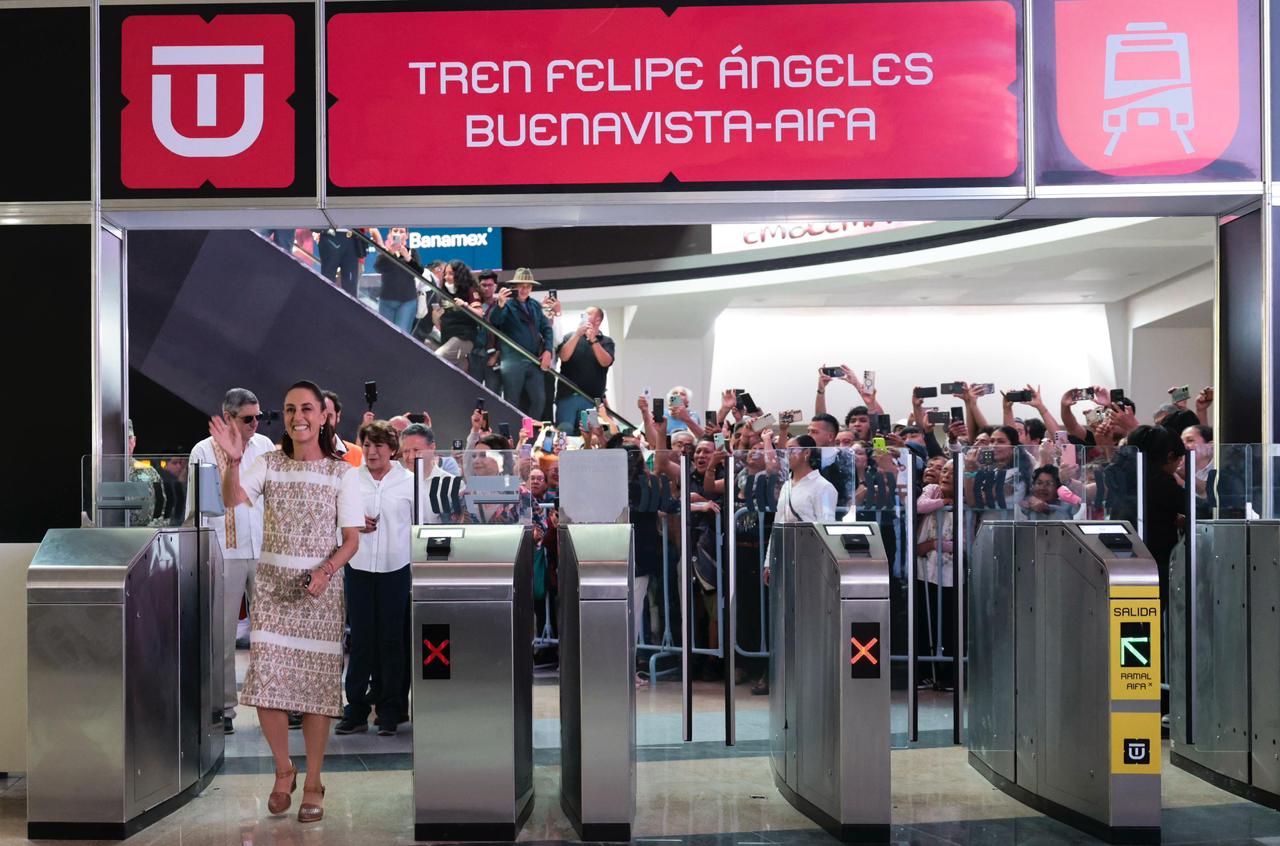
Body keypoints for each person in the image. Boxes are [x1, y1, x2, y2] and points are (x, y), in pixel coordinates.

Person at [209, 379, 362, 823]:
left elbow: (351, 540)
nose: (299, 417)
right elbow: (232, 500)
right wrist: (234, 462)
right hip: (274, 591)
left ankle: (313, 781)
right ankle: (283, 770)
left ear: (324, 416)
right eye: (291, 409)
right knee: (266, 684)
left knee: (315, 692)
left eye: (308, 409)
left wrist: (325, 570)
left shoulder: (342, 472)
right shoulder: (269, 464)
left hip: (320, 594)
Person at [189, 388, 276, 735]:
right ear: (227, 417)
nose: (255, 424)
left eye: (258, 417)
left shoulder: (266, 447)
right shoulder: (203, 450)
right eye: (247, 418)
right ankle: (223, 707)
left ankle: (278, 703)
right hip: (223, 553)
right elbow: (201, 508)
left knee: (271, 634)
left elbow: (276, 498)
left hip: (265, 550)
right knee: (221, 637)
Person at [337, 421, 414, 737]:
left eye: (378, 446)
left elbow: (419, 524)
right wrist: (355, 525)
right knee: (361, 640)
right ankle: (355, 708)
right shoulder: (350, 479)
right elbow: (335, 520)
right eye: (366, 445)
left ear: (392, 449)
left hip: (396, 567)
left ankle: (391, 708)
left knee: (392, 640)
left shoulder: (408, 481)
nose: (371, 452)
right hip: (358, 566)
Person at [488, 267, 554, 416]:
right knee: (512, 401)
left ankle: (531, 433)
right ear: (515, 286)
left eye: (528, 286)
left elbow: (547, 329)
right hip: (513, 360)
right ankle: (514, 435)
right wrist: (500, 305)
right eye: (522, 286)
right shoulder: (507, 304)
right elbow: (495, 320)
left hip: (533, 359)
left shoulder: (535, 306)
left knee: (539, 399)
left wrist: (548, 351)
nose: (525, 289)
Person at [556, 307, 616, 434]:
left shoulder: (607, 341)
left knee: (593, 432)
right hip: (567, 396)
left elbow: (606, 362)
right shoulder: (569, 337)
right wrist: (577, 334)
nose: (583, 315)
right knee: (564, 430)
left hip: (592, 400)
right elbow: (564, 356)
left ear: (598, 320)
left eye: (588, 314)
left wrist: (593, 340)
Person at [436, 261, 484, 373]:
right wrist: (436, 316)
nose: (447, 277)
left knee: (437, 357)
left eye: (451, 274)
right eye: (445, 274)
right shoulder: (443, 292)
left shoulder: (470, 290)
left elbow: (479, 314)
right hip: (447, 337)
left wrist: (465, 305)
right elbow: (438, 322)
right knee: (457, 375)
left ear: (460, 275)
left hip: (464, 337)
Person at [373, 227, 423, 334]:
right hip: (386, 300)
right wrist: (390, 252)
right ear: (390, 234)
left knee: (402, 334)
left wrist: (407, 257)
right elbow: (379, 268)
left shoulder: (411, 252)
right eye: (395, 231)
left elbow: (419, 272)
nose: (398, 234)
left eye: (401, 231)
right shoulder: (385, 252)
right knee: (386, 334)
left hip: (407, 301)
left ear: (407, 235)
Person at [322, 390, 363, 468]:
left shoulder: (357, 454)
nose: (325, 422)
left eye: (329, 416)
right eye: (320, 416)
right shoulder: (298, 455)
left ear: (338, 415)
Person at [317, 228, 363, 297]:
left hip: (352, 236)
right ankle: (326, 306)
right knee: (328, 281)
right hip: (331, 235)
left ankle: (349, 307)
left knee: (351, 285)